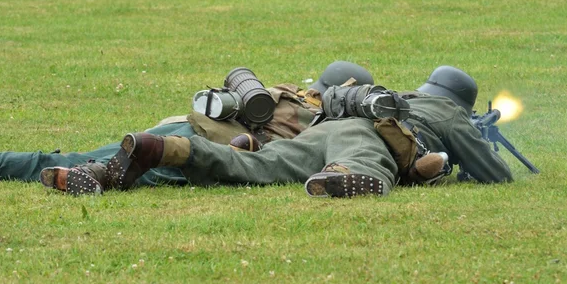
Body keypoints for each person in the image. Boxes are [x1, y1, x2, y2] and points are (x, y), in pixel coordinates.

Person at [42, 66, 513, 197]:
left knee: (255, 166)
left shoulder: (392, 98)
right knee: (363, 160)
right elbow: (494, 175)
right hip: (356, 138)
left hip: (310, 138)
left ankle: (164, 149)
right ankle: (345, 178)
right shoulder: (446, 113)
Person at [0, 61, 374, 187]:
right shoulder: (322, 124)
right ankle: (77, 174)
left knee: (83, 156)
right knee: (115, 169)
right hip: (197, 151)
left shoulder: (282, 93)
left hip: (186, 126)